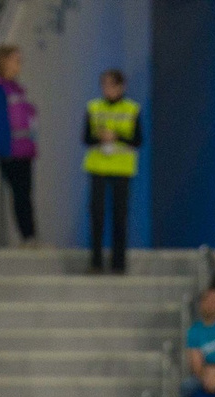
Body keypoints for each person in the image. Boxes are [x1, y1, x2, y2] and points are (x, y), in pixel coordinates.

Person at [81, 68, 140, 274]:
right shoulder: (94, 107)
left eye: (112, 84)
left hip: (122, 168)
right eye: (104, 84)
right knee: (97, 216)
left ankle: (118, 263)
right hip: (98, 167)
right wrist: (101, 138)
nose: (107, 89)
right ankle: (96, 261)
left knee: (119, 217)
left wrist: (116, 137)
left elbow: (138, 140)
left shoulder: (132, 108)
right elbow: (86, 139)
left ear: (121, 86)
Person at [0, 44, 37, 242]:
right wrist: (5, 151)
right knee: (20, 195)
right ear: (4, 61)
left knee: (26, 194)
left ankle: (31, 234)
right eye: (16, 60)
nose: (19, 65)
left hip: (24, 150)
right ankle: (27, 235)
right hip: (12, 152)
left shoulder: (17, 88)